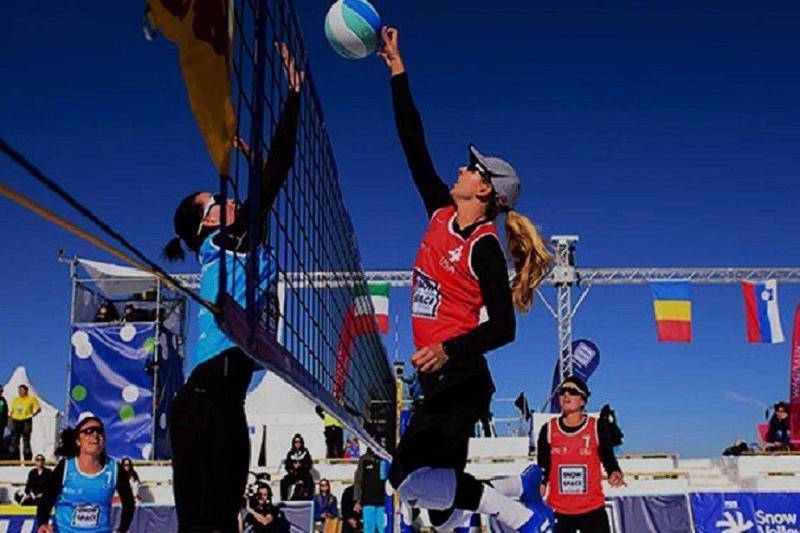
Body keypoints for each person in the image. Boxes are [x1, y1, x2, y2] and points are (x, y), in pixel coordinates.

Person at [378, 27, 554, 532]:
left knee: (404, 479)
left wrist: (446, 349)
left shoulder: (484, 248)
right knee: (440, 511)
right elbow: (413, 144)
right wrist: (397, 70)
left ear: (485, 192)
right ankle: (515, 486)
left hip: (462, 379)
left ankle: (521, 515)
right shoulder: (440, 213)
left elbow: (504, 327)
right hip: (438, 378)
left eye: (473, 168)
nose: (462, 167)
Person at [163, 43, 303, 532]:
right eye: (216, 201)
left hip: (220, 397)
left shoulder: (234, 241)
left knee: (217, 523)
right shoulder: (226, 240)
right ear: (207, 222)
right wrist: (292, 96)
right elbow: (277, 175)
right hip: (208, 397)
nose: (228, 201)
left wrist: (259, 164)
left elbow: (270, 180)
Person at [537, 377, 624, 533]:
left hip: (592, 508)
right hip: (559, 510)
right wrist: (541, 484)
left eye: (572, 391)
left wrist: (614, 471)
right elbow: (543, 464)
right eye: (562, 392)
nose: (566, 395)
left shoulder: (596, 426)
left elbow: (607, 457)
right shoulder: (548, 429)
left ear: (582, 400)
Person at [36, 416, 135, 533]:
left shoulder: (114, 469)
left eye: (99, 431)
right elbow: (46, 500)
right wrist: (43, 523)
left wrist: (122, 529)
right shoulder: (65, 467)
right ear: (78, 441)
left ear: (104, 439)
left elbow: (129, 503)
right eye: (88, 431)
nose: (95, 435)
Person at [353, 449, 385, 533]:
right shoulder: (364, 459)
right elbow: (358, 481)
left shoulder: (385, 458)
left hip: (383, 502)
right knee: (369, 529)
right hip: (368, 501)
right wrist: (357, 500)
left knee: (383, 529)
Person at [10, 384, 41, 461]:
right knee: (14, 439)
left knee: (26, 439)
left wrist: (33, 414)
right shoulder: (16, 399)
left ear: (26, 391)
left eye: (21, 390)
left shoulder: (31, 398)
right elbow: (12, 410)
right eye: (19, 390)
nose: (19, 392)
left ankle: (27, 459)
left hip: (26, 420)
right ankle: (14, 459)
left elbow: (38, 408)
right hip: (16, 420)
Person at [280, 433, 314, 501]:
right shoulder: (290, 453)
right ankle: (284, 500)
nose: (297, 444)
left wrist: (301, 465)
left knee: (310, 481)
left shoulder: (305, 452)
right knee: (284, 481)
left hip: (303, 473)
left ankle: (309, 499)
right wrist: (292, 467)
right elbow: (287, 465)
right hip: (294, 474)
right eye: (296, 442)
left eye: (299, 442)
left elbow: (309, 464)